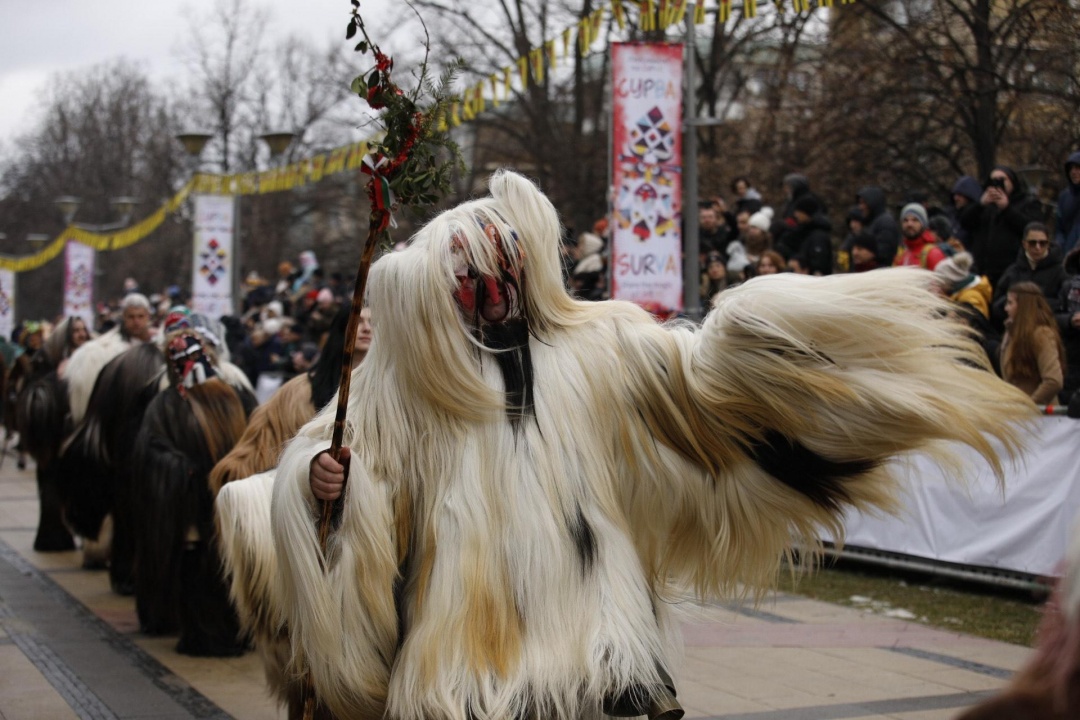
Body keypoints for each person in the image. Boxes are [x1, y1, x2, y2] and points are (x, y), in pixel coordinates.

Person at [274, 170, 1030, 720]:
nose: (496, 292)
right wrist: (318, 475)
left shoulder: (602, 344)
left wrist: (763, 339)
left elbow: (698, 396)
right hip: (467, 651)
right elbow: (329, 449)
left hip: (601, 638)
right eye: (473, 280)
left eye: (506, 272)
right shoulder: (409, 384)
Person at [214, 306, 372, 718]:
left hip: (367, 557)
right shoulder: (298, 394)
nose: (369, 328)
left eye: (377, 322)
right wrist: (280, 484)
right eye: (361, 320)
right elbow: (246, 457)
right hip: (310, 553)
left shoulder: (400, 389)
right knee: (310, 671)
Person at [958, 165, 1045, 287]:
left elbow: (1031, 228)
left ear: (1012, 182)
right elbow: (964, 222)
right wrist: (980, 205)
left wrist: (1006, 208)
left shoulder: (1026, 202)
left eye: (1002, 180)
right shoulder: (985, 205)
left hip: (1012, 269)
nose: (997, 184)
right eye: (993, 180)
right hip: (983, 270)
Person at [990, 222, 1066, 330]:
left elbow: (1064, 304)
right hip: (1014, 329)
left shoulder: (1060, 272)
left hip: (1046, 329)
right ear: (1024, 244)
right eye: (1032, 243)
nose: (1037, 247)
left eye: (1042, 243)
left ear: (1048, 244)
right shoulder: (1013, 271)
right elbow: (996, 306)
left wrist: (1032, 305)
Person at [1000, 281, 1065, 405]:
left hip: (1039, 418)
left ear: (1024, 306)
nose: (1006, 308)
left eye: (1010, 303)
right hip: (1018, 413)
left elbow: (1053, 380)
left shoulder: (1042, 334)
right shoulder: (1011, 332)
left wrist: (1030, 405)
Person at [781, 196, 832, 276]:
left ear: (806, 212)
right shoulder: (806, 232)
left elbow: (819, 264)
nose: (795, 214)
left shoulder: (818, 236)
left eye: (798, 211)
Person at [856, 186, 900, 267]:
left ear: (873, 203)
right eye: (860, 203)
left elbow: (884, 253)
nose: (860, 207)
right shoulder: (872, 222)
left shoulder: (885, 223)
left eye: (863, 203)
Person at [894, 203, 947, 270]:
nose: (909, 224)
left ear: (923, 224)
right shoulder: (901, 254)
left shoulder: (932, 254)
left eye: (915, 220)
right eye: (905, 220)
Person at [1055, 151, 1080, 254]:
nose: (1073, 172)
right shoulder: (1064, 197)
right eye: (1070, 169)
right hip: (1068, 255)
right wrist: (1059, 244)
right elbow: (1060, 227)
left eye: (1078, 168)